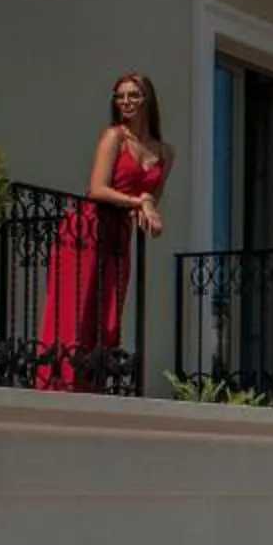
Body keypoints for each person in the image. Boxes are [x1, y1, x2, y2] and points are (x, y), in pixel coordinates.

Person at [35, 74, 172, 389]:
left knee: (109, 315)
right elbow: (96, 188)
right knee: (75, 310)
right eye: (120, 96)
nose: (126, 102)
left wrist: (147, 207)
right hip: (87, 229)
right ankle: (58, 384)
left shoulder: (165, 153)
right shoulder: (114, 137)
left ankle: (91, 384)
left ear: (147, 99)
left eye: (133, 95)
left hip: (118, 236)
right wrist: (139, 201)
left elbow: (152, 199)